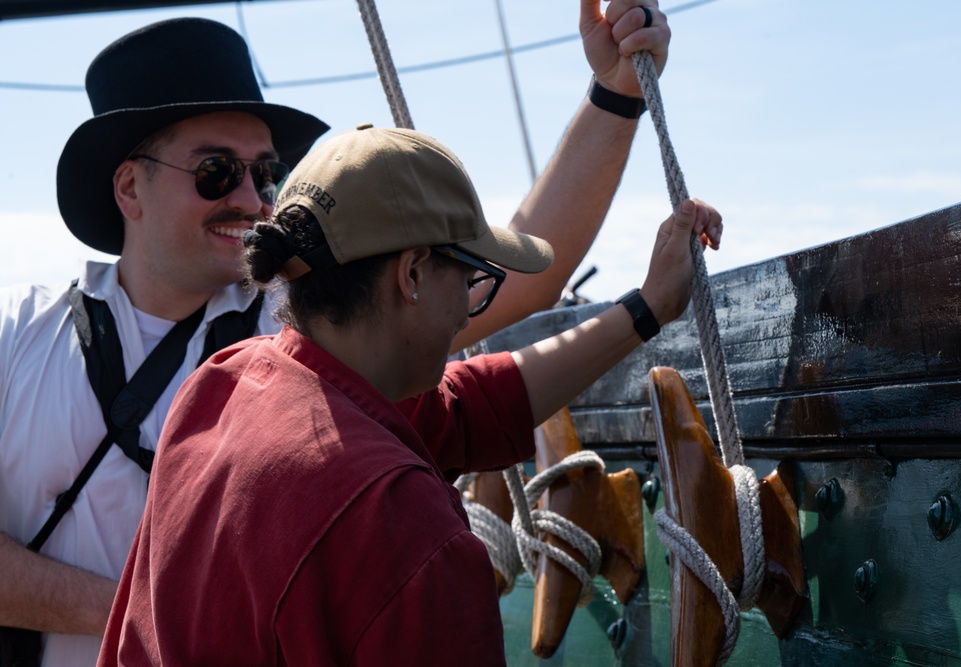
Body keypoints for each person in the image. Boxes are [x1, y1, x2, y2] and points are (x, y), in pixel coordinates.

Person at [0, 3, 683, 665]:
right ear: (129, 188)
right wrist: (176, 600)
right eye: (216, 172)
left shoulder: (292, 326)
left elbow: (517, 279)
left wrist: (616, 93)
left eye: (266, 172)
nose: (250, 197)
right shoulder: (17, 338)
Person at [97, 124, 722, 665]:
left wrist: (647, 309)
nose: (467, 311)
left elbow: (475, 404)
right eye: (474, 278)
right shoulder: (408, 532)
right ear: (414, 273)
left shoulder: (224, 386)